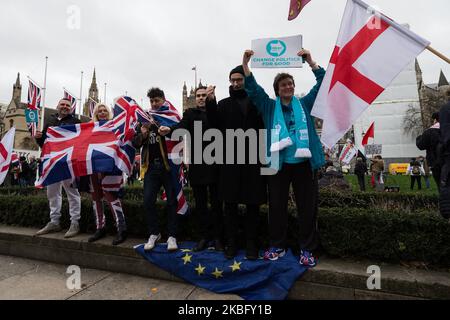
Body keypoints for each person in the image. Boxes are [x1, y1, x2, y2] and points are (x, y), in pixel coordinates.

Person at [242, 49, 325, 267]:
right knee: (277, 207)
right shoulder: (269, 107)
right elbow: (253, 89)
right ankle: (277, 245)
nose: (288, 87)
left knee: (307, 208)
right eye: (283, 85)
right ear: (277, 90)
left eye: (290, 83)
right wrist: (245, 63)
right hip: (278, 165)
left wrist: (311, 61)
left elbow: (323, 83)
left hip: (304, 165)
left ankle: (307, 249)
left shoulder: (304, 104)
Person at [205, 66, 267, 260]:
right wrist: (210, 101)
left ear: (245, 80)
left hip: (253, 161)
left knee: (253, 205)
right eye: (233, 80)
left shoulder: (258, 103)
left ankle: (251, 243)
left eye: (239, 79)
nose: (236, 83)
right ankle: (231, 242)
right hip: (229, 162)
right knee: (229, 206)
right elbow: (213, 125)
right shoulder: (222, 104)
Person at [159, 86, 224, 253]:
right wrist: (169, 130)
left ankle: (218, 238)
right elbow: (181, 126)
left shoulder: (217, 111)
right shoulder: (190, 114)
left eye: (204, 95)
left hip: (216, 164)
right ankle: (203, 237)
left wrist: (212, 101)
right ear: (194, 99)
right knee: (201, 204)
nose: (201, 98)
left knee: (217, 204)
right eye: (199, 96)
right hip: (197, 165)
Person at [133, 88, 179, 252]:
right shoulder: (144, 118)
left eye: (157, 100)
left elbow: (181, 133)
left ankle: (172, 235)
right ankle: (154, 233)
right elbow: (135, 143)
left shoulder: (171, 116)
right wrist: (143, 134)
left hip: (168, 166)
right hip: (151, 167)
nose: (154, 103)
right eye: (151, 101)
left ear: (163, 100)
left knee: (172, 201)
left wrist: (168, 130)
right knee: (147, 201)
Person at [35, 98, 82, 238]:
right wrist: (38, 137)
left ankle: (75, 222)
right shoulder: (50, 122)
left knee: (72, 193)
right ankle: (54, 221)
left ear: (71, 108)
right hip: (52, 163)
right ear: (57, 106)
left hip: (68, 163)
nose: (65, 107)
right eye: (62, 104)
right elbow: (44, 144)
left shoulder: (76, 123)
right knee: (52, 193)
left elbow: (81, 142)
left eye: (67, 105)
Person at [85, 103, 127, 245]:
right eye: (99, 111)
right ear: (96, 113)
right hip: (93, 166)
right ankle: (100, 227)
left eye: (104, 110)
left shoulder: (113, 126)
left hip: (109, 166)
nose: (102, 113)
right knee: (96, 197)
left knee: (111, 196)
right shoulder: (90, 128)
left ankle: (121, 228)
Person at [416, 112, 442, 191]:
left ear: (435, 120)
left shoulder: (429, 132)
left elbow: (421, 145)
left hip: (436, 163)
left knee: (441, 187)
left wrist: (419, 137)